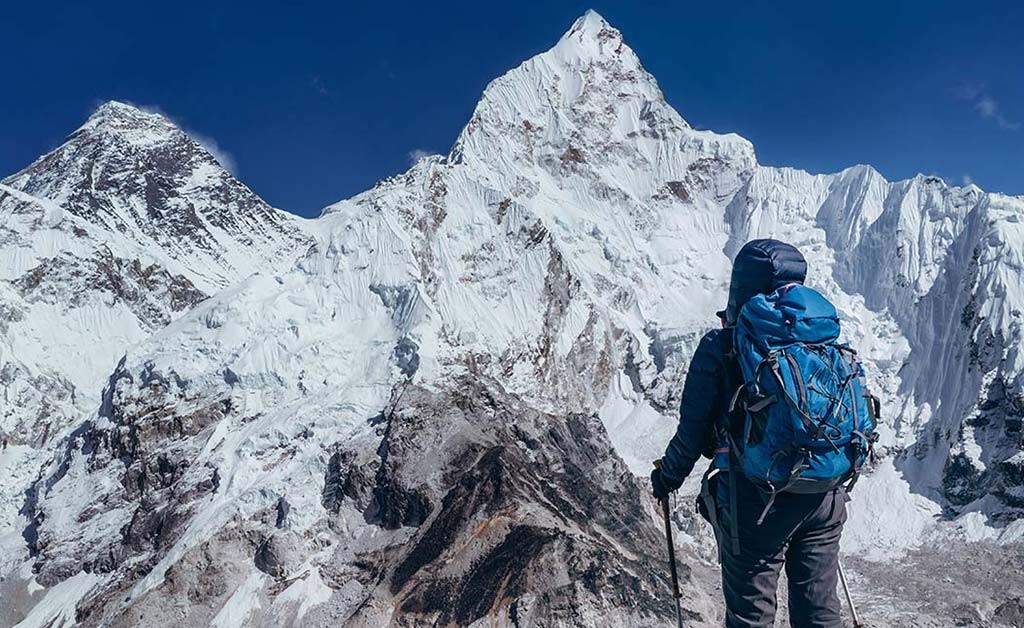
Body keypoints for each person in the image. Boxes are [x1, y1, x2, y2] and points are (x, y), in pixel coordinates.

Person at [651, 239, 850, 628]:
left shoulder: (722, 346)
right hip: (824, 495)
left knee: (751, 615)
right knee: (820, 611)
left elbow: (691, 434)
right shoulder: (824, 341)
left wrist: (667, 477)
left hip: (755, 502)